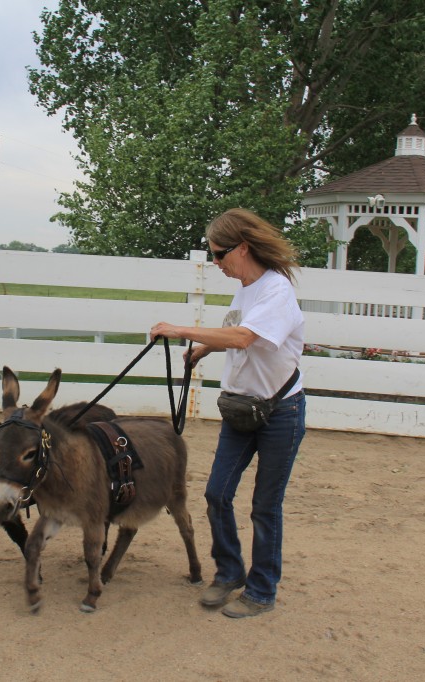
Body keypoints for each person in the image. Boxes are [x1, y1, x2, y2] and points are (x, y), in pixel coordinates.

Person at [150, 207, 306, 619]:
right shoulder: (244, 291)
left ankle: (262, 589)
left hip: (279, 412)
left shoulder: (277, 291)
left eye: (219, 254)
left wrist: (182, 330)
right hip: (241, 409)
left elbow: (245, 336)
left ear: (242, 247)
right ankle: (229, 572)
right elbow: (237, 337)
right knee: (217, 493)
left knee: (265, 505)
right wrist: (202, 350)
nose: (215, 262)